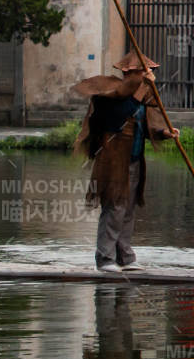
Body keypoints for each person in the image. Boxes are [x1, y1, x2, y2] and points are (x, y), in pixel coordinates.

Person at [71, 51, 178, 271]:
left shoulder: (144, 97)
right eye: (144, 72)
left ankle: (124, 256)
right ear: (129, 73)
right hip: (112, 160)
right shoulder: (109, 94)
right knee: (114, 207)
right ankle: (105, 258)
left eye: (149, 72)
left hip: (134, 159)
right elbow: (120, 116)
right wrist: (142, 89)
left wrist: (164, 133)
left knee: (128, 209)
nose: (148, 75)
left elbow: (145, 126)